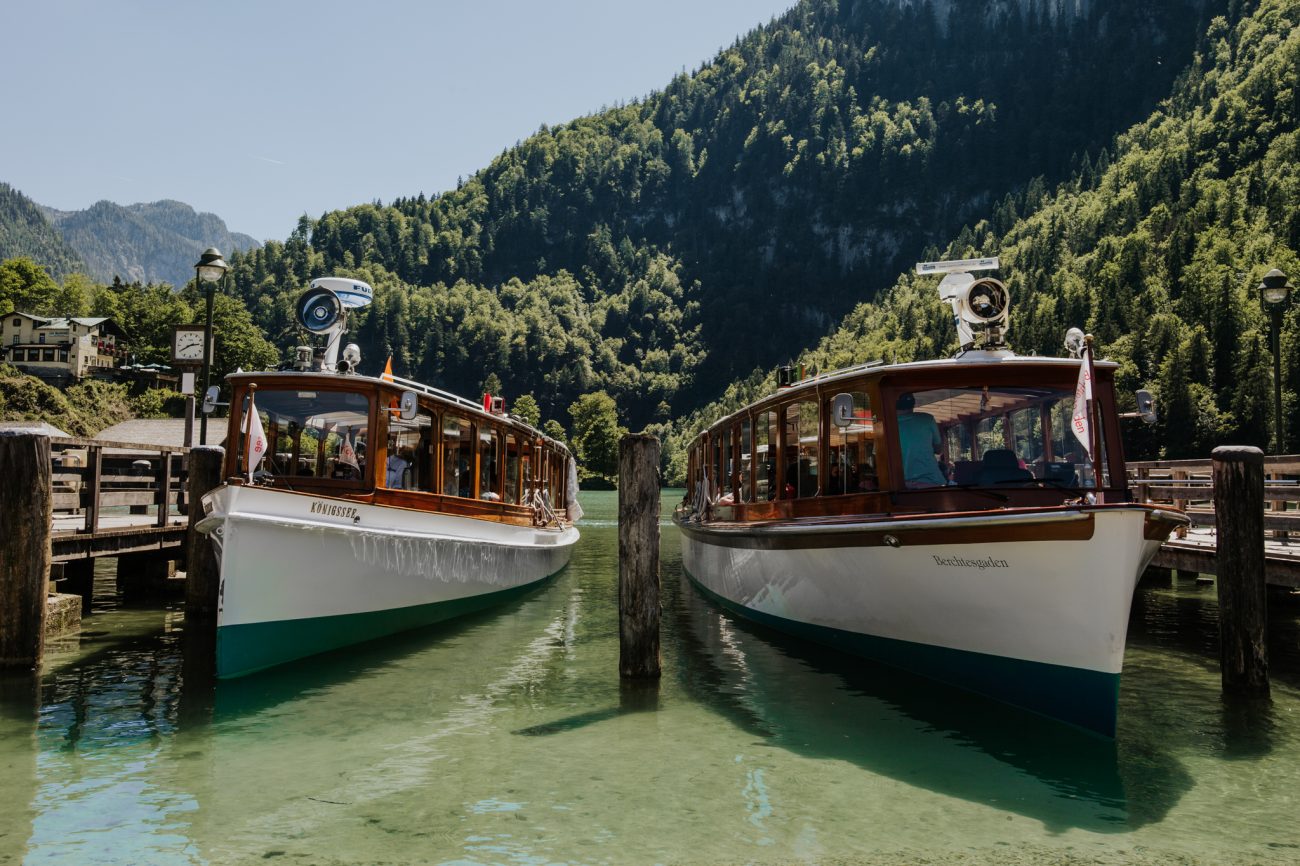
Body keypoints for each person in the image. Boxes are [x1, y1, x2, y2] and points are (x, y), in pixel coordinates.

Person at [896, 393, 948, 488]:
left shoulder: (885, 425)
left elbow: (880, 456)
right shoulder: (927, 419)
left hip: (898, 485)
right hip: (930, 481)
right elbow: (938, 449)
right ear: (913, 404)